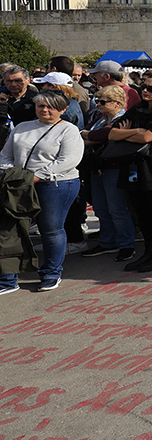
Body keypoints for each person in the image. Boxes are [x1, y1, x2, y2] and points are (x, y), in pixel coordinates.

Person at [0, 90, 85, 292]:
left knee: (51, 229)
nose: (45, 110)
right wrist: (15, 175)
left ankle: (51, 273)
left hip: (56, 184)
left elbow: (67, 161)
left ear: (63, 109)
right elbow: (5, 156)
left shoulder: (69, 130)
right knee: (11, 230)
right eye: (41, 106)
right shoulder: (22, 127)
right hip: (20, 184)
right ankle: (8, 279)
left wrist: (36, 177)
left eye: (51, 106)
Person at [105, 73, 152, 273]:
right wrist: (136, 132)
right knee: (141, 212)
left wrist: (136, 133)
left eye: (150, 88)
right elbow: (112, 133)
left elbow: (149, 136)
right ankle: (150, 250)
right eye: (143, 87)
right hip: (133, 166)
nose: (145, 91)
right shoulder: (137, 109)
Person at [78, 85, 137, 262]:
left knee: (117, 209)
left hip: (115, 168)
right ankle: (107, 242)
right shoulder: (99, 118)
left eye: (103, 102)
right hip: (97, 167)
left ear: (117, 103)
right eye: (97, 101)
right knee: (101, 208)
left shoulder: (125, 119)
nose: (98, 105)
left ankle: (126, 244)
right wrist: (95, 135)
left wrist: (94, 135)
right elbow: (85, 133)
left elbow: (108, 134)